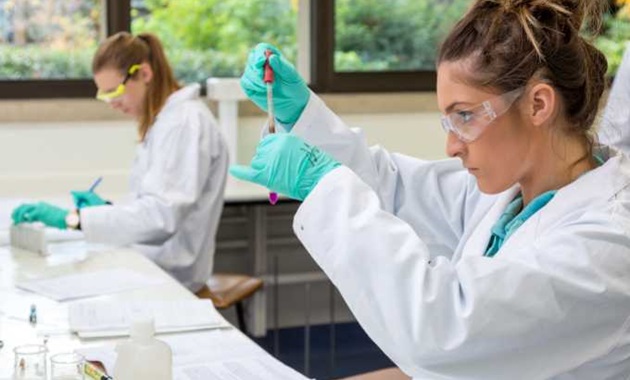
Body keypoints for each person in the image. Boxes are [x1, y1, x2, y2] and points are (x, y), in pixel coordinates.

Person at [232, 0, 630, 378]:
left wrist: (321, 183)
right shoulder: (509, 195)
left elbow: (446, 331)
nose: (452, 145)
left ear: (539, 105)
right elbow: (393, 190)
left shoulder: (608, 244)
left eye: (466, 116)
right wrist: (301, 116)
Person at [12, 32, 229, 293]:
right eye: (104, 95)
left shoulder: (184, 123)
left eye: (114, 91)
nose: (112, 103)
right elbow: (151, 203)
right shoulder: (163, 121)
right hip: (148, 263)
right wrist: (104, 209)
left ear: (144, 74)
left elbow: (161, 218)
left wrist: (75, 219)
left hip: (170, 276)